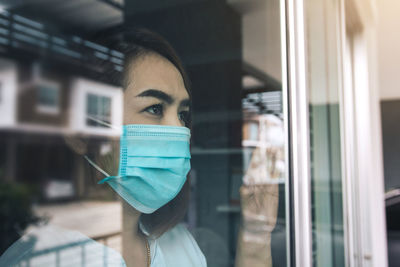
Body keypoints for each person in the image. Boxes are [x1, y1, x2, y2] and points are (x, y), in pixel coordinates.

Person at [0, 28, 206, 267]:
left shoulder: (183, 247)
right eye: (155, 108)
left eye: (182, 114)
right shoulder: (39, 260)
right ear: (79, 135)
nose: (179, 131)